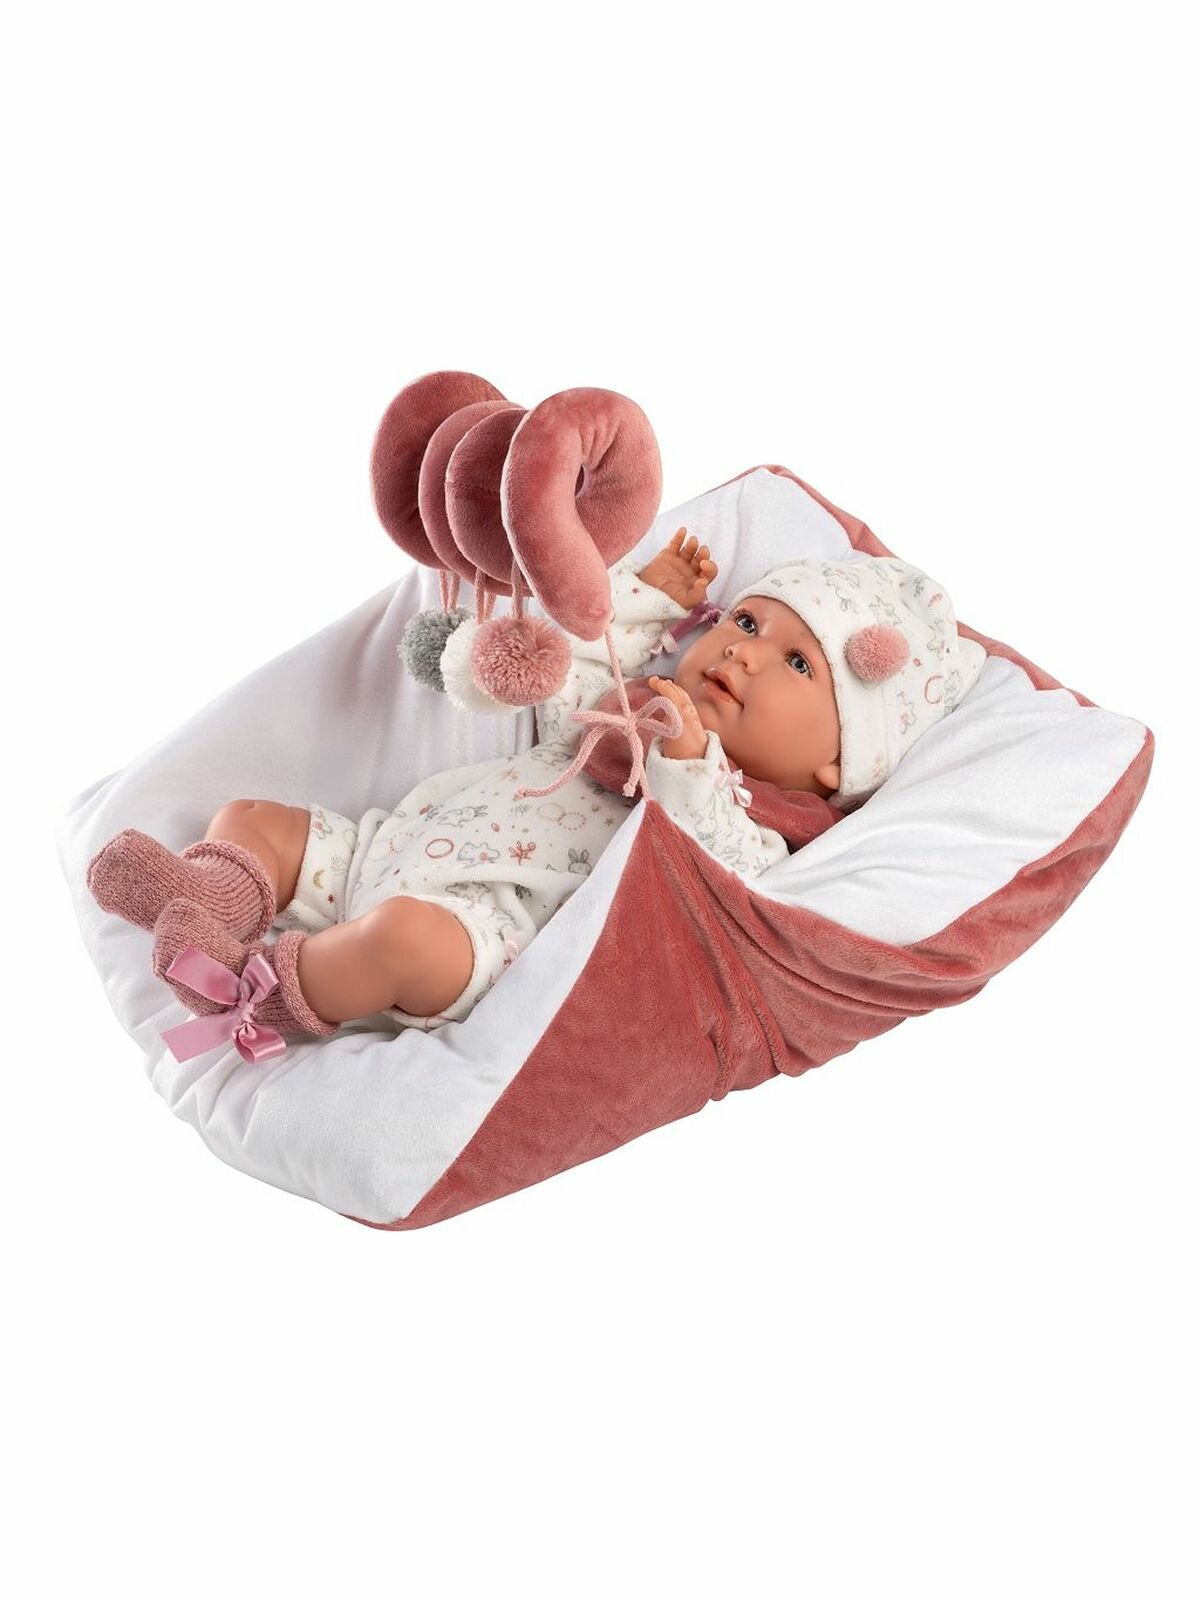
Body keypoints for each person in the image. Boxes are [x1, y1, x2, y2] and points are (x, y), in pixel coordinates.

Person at [86, 530, 984, 1056]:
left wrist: (687, 758)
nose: (745, 652)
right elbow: (575, 659)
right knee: (251, 817)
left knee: (400, 940)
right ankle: (209, 900)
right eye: (747, 621)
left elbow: (713, 871)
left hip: (480, 930)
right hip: (388, 844)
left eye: (797, 664)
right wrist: (651, 597)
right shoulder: (628, 703)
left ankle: (258, 991)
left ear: (838, 764)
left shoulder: (766, 827)